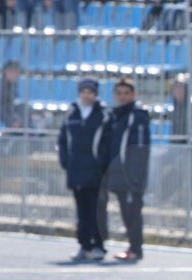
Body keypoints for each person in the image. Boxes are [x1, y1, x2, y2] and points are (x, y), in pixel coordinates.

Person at [58, 78, 110, 262]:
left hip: (96, 172)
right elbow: (63, 141)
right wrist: (66, 162)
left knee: (96, 210)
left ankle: (98, 245)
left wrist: (102, 164)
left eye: (90, 92)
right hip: (77, 170)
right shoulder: (71, 114)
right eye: (84, 91)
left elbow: (107, 143)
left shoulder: (103, 115)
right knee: (81, 211)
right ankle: (84, 245)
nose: (86, 95)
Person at [102, 78, 151, 263]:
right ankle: (132, 247)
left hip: (131, 176)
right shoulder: (116, 115)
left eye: (126, 93)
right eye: (119, 93)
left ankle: (136, 249)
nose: (123, 97)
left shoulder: (136, 115)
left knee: (132, 212)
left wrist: (135, 176)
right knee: (126, 211)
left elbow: (139, 148)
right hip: (118, 173)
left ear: (134, 94)